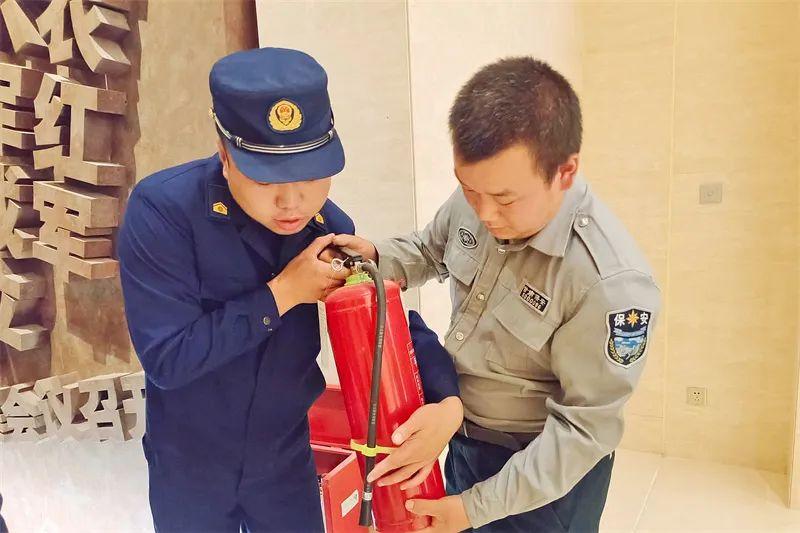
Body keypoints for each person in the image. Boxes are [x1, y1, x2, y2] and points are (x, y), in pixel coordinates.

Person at [118, 47, 462, 532]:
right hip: (190, 462)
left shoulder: (327, 228)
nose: (292, 202)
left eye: (311, 177)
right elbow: (167, 359)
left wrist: (447, 402)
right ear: (225, 155)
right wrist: (283, 293)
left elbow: (385, 318)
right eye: (267, 179)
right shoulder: (164, 212)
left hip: (284, 458)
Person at [331, 56, 662, 532]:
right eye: (469, 190)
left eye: (504, 199)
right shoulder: (485, 191)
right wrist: (375, 257)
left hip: (544, 480)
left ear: (565, 172)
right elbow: (429, 250)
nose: (484, 213)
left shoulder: (609, 283)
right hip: (463, 442)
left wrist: (473, 508)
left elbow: (583, 430)